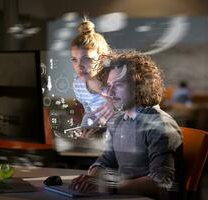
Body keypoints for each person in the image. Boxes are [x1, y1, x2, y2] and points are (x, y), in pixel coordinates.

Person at [69, 50, 184, 199]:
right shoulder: (118, 121)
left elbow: (160, 184)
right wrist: (93, 178)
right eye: (109, 85)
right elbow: (106, 160)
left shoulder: (160, 125)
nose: (110, 92)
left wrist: (108, 188)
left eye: (118, 85)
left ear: (140, 86)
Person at [70, 17, 113, 137]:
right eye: (74, 60)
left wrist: (113, 103)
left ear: (102, 58)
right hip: (101, 136)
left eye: (86, 59)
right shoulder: (79, 85)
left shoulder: (115, 81)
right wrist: (85, 129)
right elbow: (89, 111)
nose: (79, 66)